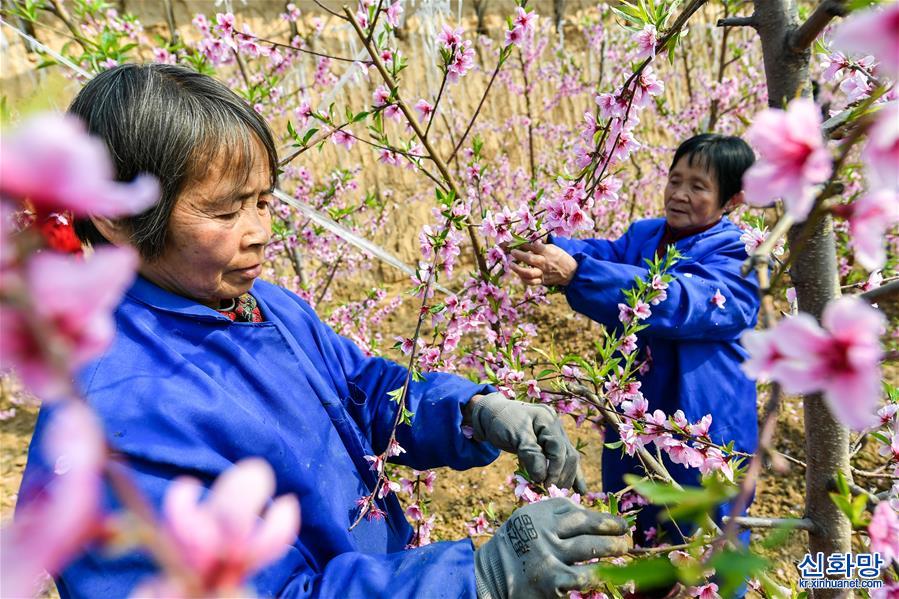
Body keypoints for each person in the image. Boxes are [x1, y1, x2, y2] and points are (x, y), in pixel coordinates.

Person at [16, 64, 632, 599]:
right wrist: (474, 581)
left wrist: (472, 410)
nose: (259, 231)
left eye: (263, 201)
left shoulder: (261, 306)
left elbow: (361, 389)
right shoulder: (117, 423)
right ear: (118, 218)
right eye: (226, 211)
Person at [509, 134, 761, 545]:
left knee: (705, 544)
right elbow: (604, 254)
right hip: (637, 415)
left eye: (698, 187)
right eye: (674, 180)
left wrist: (578, 273)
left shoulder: (741, 255)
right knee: (639, 529)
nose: (678, 194)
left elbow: (681, 300)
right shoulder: (646, 236)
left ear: (733, 199)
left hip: (703, 424)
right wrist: (545, 245)